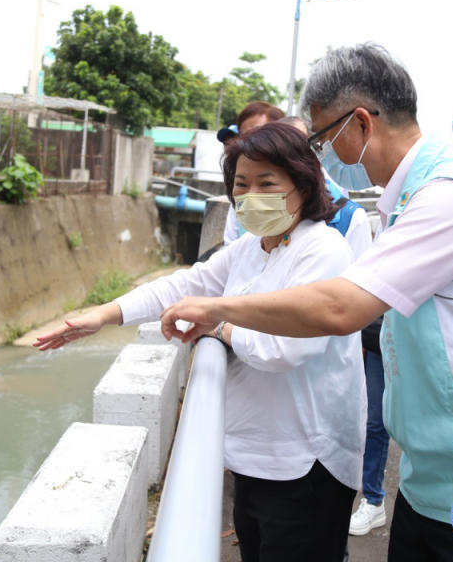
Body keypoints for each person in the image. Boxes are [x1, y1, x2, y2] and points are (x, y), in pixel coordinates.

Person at [159, 43, 453, 562]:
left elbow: (341, 308)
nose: (320, 158)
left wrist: (216, 310)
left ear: (360, 124)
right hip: (437, 480)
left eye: (322, 139)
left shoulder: (452, 195)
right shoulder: (408, 198)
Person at [36, 122, 366, 562]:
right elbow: (184, 285)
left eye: (267, 183)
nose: (251, 196)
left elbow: (285, 348)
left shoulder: (323, 250)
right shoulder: (253, 246)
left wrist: (218, 325)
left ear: (303, 185)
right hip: (252, 456)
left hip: (306, 461)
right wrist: (103, 315)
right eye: (242, 184)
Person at [281, 115, 389, 536]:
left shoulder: (346, 217)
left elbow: (353, 301)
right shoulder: (262, 214)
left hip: (342, 348)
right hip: (285, 377)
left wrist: (225, 325)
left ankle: (372, 496)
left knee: (371, 421)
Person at [222, 102, 287, 246]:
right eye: (244, 137)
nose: (251, 144)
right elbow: (228, 251)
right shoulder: (240, 200)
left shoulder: (316, 243)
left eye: (267, 184)